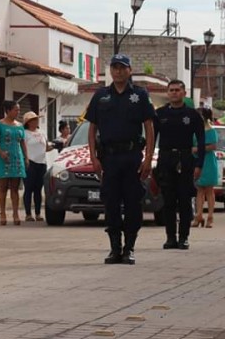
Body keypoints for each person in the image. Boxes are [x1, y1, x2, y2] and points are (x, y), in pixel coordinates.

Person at [86, 54, 155, 265]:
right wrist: (93, 157)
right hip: (109, 158)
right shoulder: (101, 96)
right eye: (114, 67)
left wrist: (148, 158)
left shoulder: (140, 95)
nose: (118, 71)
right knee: (111, 203)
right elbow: (92, 128)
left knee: (133, 203)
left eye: (122, 67)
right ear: (110, 71)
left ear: (129, 70)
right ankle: (114, 248)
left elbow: (149, 127)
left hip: (132, 156)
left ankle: (129, 247)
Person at [154, 80, 206, 250]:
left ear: (184, 93)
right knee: (168, 201)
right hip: (166, 158)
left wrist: (199, 164)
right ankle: (170, 237)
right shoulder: (160, 114)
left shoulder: (192, 115)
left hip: (185, 159)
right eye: (171, 90)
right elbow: (152, 138)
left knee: (184, 200)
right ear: (167, 93)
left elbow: (201, 141)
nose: (174, 93)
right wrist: (149, 159)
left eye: (177, 90)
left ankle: (183, 237)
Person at [0, 101, 29, 225]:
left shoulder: (19, 125)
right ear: (8, 110)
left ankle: (16, 213)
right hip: (3, 158)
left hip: (17, 158)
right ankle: (2, 213)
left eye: (18, 110)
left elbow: (22, 142)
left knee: (15, 188)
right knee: (3, 187)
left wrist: (26, 157)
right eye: (16, 110)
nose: (18, 112)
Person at [193, 106, 219, 229]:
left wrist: (198, 149)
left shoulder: (210, 130)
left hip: (208, 161)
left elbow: (213, 146)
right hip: (197, 161)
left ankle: (210, 216)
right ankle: (198, 215)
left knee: (209, 189)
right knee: (199, 189)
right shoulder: (195, 130)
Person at [22, 111, 49, 222]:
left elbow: (46, 147)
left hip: (42, 163)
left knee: (38, 189)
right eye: (33, 120)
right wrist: (26, 158)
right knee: (28, 188)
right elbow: (22, 147)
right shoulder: (24, 133)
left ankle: (38, 213)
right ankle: (28, 213)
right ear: (28, 122)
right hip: (30, 162)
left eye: (36, 119)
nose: (35, 121)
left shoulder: (42, 133)